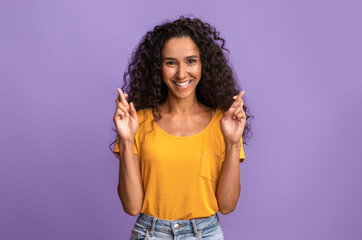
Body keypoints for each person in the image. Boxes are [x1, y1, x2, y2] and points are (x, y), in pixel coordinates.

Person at [111, 15, 252, 240]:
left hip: (205, 234)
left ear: (204, 64)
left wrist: (234, 142)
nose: (181, 74)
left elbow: (226, 206)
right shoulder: (137, 122)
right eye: (171, 62)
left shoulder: (223, 124)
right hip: (150, 233)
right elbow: (132, 206)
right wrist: (127, 140)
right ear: (158, 67)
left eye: (191, 61)